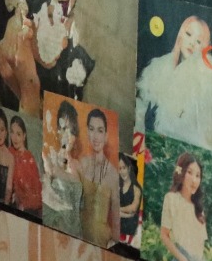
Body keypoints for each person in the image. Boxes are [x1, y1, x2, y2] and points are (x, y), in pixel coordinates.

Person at [135, 14, 212, 156]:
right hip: (153, 151)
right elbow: (140, 110)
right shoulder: (158, 69)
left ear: (205, 46)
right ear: (180, 35)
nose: (191, 43)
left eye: (198, 41)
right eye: (188, 34)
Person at [158, 153, 211, 261]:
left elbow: (200, 245)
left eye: (198, 175)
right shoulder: (171, 198)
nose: (194, 180)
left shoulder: (199, 210)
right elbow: (164, 235)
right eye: (190, 172)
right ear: (181, 173)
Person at [78, 108, 122, 248]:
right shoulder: (82, 163)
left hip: (101, 242)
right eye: (92, 129)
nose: (95, 136)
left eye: (100, 130)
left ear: (106, 135)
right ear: (87, 132)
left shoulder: (113, 174)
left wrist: (112, 245)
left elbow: (116, 221)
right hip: (79, 236)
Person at [41, 99, 84, 237]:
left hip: (75, 231)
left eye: (72, 131)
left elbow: (81, 206)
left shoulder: (78, 165)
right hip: (55, 229)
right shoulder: (50, 159)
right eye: (64, 129)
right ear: (58, 131)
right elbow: (45, 202)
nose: (68, 136)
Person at [8, 114, 43, 215]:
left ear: (24, 136)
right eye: (12, 132)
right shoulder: (9, 151)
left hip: (28, 209)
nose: (14, 138)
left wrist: (24, 205)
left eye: (18, 134)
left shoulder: (29, 159)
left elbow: (38, 197)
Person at [117, 154, 142, 244]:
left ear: (129, 168)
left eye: (124, 168)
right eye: (119, 168)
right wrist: (125, 214)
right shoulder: (118, 186)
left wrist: (118, 210)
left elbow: (133, 208)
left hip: (130, 228)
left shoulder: (136, 189)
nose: (122, 172)